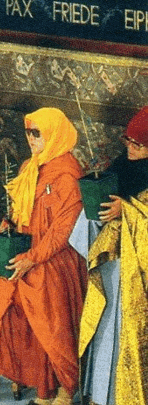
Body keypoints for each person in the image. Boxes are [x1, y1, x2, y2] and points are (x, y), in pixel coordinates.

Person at [0, 108, 88, 405]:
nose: (31, 139)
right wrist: (5, 229)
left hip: (52, 263)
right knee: (29, 327)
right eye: (28, 133)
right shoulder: (28, 168)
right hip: (24, 257)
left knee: (54, 330)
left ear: (55, 134)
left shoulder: (69, 174)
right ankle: (44, 388)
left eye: (37, 133)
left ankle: (67, 390)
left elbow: (63, 230)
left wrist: (33, 258)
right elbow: (16, 209)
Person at [79, 106, 148, 405]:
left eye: (138, 144)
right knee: (107, 330)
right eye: (128, 142)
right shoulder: (121, 166)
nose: (130, 149)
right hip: (113, 266)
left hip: (138, 277)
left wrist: (128, 211)